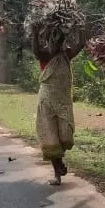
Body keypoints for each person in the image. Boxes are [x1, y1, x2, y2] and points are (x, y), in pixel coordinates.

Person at [33, 36, 83, 185]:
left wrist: (79, 28)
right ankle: (57, 174)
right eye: (52, 41)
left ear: (62, 43)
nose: (54, 44)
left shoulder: (66, 55)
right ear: (47, 42)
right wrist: (34, 31)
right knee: (50, 137)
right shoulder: (44, 54)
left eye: (58, 41)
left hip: (63, 102)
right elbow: (35, 51)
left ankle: (59, 162)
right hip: (46, 102)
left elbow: (80, 42)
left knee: (65, 136)